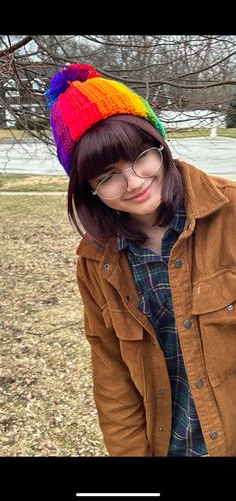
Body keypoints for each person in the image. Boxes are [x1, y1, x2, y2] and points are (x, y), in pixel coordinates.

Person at [46, 62, 236, 457]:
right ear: (89, 189)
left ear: (160, 144)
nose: (134, 182)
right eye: (107, 176)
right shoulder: (96, 263)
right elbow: (112, 374)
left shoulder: (231, 212)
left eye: (140, 157)